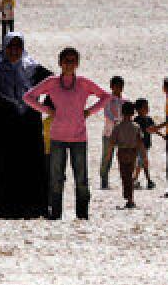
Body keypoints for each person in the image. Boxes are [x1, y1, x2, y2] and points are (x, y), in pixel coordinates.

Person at [0, 33, 53, 219]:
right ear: (4, 47)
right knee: (3, 164)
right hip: (3, 124)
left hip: (29, 123)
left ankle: (34, 208)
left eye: (18, 47)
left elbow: (54, 85)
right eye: (10, 47)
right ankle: (3, 209)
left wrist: (46, 106)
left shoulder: (33, 68)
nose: (14, 51)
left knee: (31, 164)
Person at [22, 47, 110, 220]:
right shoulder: (52, 82)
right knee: (56, 179)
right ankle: (55, 214)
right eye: (66, 60)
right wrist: (46, 110)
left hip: (79, 137)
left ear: (77, 63)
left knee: (81, 179)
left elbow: (105, 97)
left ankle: (82, 214)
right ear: (60, 63)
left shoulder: (83, 83)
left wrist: (89, 112)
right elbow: (28, 97)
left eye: (72, 60)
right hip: (57, 137)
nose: (69, 64)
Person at [110, 101, 145, 209]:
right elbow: (140, 141)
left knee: (124, 175)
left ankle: (128, 197)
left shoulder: (118, 126)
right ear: (133, 113)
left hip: (122, 152)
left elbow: (112, 142)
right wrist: (143, 155)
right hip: (132, 152)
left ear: (121, 112)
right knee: (130, 175)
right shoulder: (136, 126)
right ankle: (130, 198)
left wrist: (108, 155)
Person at [98, 76, 126, 191]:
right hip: (109, 133)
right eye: (116, 86)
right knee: (107, 157)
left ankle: (126, 179)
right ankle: (104, 180)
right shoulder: (107, 99)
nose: (118, 89)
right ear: (111, 87)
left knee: (124, 156)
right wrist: (117, 121)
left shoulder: (125, 101)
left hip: (122, 134)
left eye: (120, 86)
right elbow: (107, 114)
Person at [133, 97, 157, 190]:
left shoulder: (149, 119)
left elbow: (154, 129)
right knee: (144, 162)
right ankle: (149, 181)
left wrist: (162, 135)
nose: (147, 108)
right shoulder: (137, 120)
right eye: (145, 107)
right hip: (139, 146)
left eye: (147, 106)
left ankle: (134, 180)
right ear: (138, 109)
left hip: (146, 145)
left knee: (141, 163)